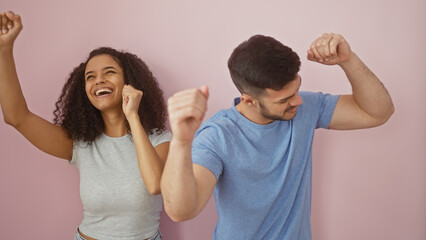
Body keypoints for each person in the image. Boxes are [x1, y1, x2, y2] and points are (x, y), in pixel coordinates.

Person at [161, 33, 394, 239]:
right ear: (249, 100)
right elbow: (182, 211)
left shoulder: (305, 108)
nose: (298, 101)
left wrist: (348, 60)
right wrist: (181, 141)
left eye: (296, 89)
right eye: (284, 100)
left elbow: (377, 112)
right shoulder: (217, 136)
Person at [0, 11, 170, 240]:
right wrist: (4, 50)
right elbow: (16, 117)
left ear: (130, 83)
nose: (99, 80)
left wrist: (133, 116)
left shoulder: (160, 139)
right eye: (90, 77)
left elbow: (155, 184)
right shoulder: (80, 144)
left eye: (109, 72)